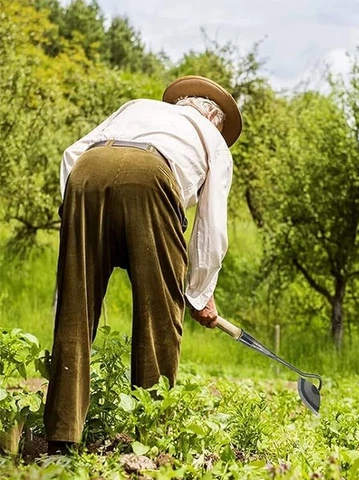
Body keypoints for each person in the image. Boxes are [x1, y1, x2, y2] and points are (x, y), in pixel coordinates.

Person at [44, 76, 243, 455]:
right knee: (159, 314)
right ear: (215, 120)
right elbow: (211, 226)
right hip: (151, 178)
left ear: (181, 104)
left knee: (75, 307)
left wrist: (75, 217)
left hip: (88, 170)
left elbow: (72, 153)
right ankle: (150, 438)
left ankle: (61, 439)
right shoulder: (213, 140)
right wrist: (200, 294)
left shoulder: (136, 106)